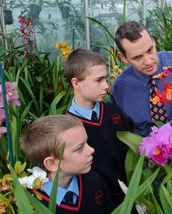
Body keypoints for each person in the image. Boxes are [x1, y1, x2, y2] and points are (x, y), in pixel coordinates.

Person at [64, 49, 130, 207]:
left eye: (105, 79)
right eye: (98, 80)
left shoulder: (114, 112)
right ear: (76, 83)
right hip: (97, 201)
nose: (106, 86)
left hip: (129, 193)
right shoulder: (68, 128)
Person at [20, 115, 114, 213]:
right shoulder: (30, 204)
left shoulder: (93, 181)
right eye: (79, 148)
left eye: (87, 142)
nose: (91, 150)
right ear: (52, 163)